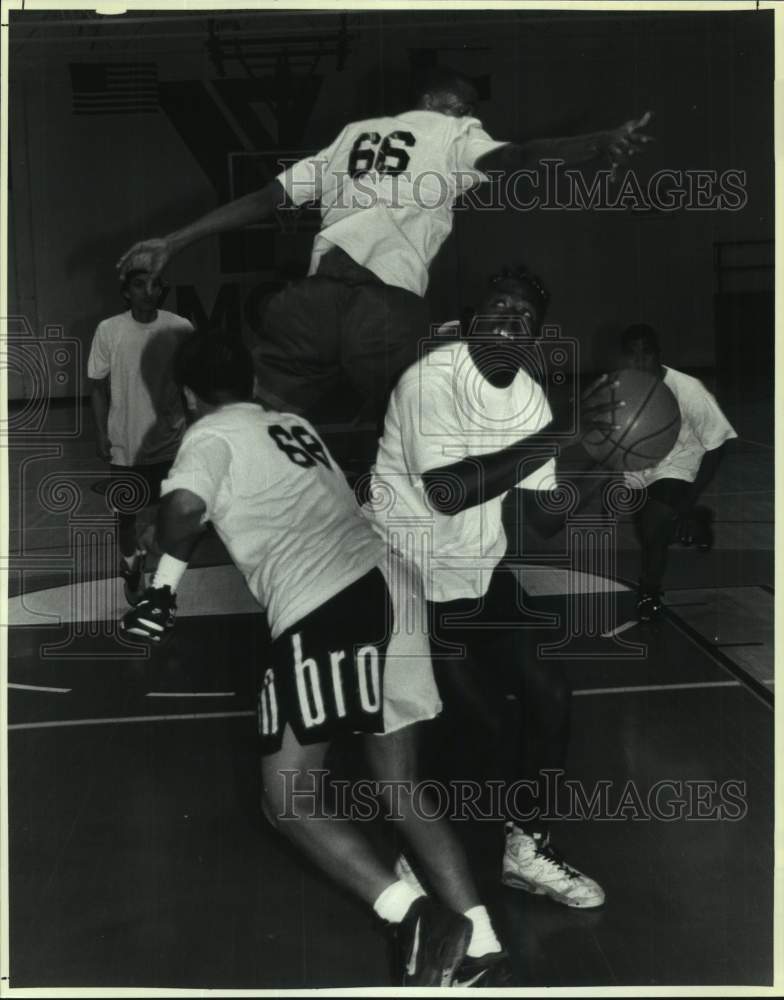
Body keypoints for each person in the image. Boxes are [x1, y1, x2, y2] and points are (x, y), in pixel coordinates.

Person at [120, 331, 512, 988]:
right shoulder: (289, 422)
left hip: (330, 604)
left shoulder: (208, 437)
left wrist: (158, 588)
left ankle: (416, 916)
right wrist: (163, 550)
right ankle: (482, 944)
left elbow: (186, 508)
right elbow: (219, 508)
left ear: (185, 395)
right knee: (401, 787)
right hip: (392, 588)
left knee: (289, 799)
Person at [116, 67, 652, 472]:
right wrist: (596, 144)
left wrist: (175, 239)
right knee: (432, 444)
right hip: (382, 310)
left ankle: (174, 512)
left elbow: (265, 197)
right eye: (464, 108)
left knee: (246, 425)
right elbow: (521, 156)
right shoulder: (454, 135)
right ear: (439, 104)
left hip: (310, 307)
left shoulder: (354, 134)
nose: (471, 117)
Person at [366, 265, 618, 910]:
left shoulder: (528, 397)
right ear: (474, 318)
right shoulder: (431, 380)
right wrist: (560, 434)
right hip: (404, 570)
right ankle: (421, 853)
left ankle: (526, 845)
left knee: (550, 693)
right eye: (497, 306)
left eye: (523, 314)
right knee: (478, 722)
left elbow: (539, 518)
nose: (508, 319)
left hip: (475, 569)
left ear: (536, 334)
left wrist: (599, 460)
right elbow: (448, 491)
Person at [618, 324, 737, 621]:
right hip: (639, 467)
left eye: (646, 352)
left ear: (659, 355)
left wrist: (688, 499)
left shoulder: (688, 389)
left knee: (653, 523)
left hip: (680, 463)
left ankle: (649, 592)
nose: (639, 360)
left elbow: (717, 446)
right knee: (648, 534)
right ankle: (697, 522)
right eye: (632, 354)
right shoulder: (620, 390)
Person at [87, 267, 193, 604]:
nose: (149, 290)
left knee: (174, 522)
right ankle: (132, 567)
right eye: (139, 284)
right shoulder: (109, 329)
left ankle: (162, 587)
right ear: (126, 292)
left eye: (155, 285)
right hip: (126, 446)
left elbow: (193, 383)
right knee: (126, 522)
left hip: (171, 444)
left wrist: (197, 430)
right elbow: (97, 387)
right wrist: (102, 434)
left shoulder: (180, 327)